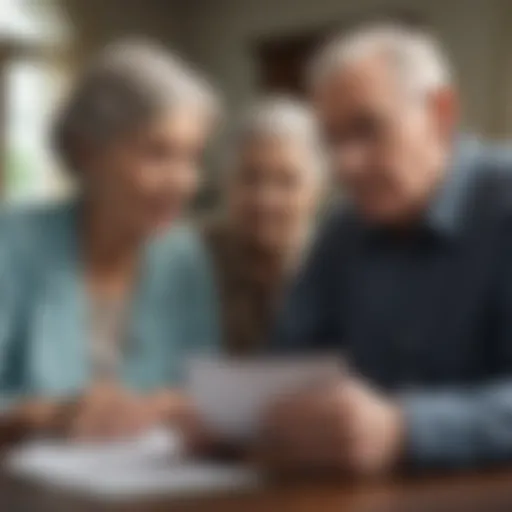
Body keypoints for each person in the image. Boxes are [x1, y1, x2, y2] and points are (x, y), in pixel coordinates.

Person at [266, 23, 512, 475]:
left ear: (441, 113)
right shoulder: (341, 231)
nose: (345, 165)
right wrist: (238, 417)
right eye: (331, 141)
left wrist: (406, 429)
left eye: (368, 129)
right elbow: (289, 366)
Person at [0, 41, 220, 444]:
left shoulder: (184, 258)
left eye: (191, 158)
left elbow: (204, 393)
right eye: (157, 153)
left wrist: (190, 409)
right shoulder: (11, 245)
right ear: (87, 152)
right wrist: (55, 415)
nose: (182, 182)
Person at [203, 97, 324, 354]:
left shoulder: (339, 263)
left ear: (318, 189)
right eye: (250, 177)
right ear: (227, 183)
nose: (266, 200)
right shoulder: (191, 261)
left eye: (286, 181)